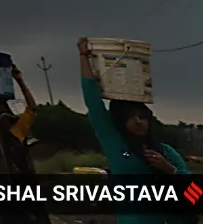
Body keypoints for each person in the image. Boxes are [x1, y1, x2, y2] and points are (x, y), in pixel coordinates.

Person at [78, 38, 191, 224]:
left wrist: (170, 170)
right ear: (121, 121)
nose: (140, 122)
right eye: (133, 117)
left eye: (144, 116)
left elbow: (195, 196)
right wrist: (83, 57)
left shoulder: (166, 153)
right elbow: (93, 102)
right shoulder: (116, 146)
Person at [0, 55, 50, 224]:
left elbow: (32, 108)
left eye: (3, 109)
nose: (0, 114)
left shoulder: (17, 129)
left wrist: (19, 80)